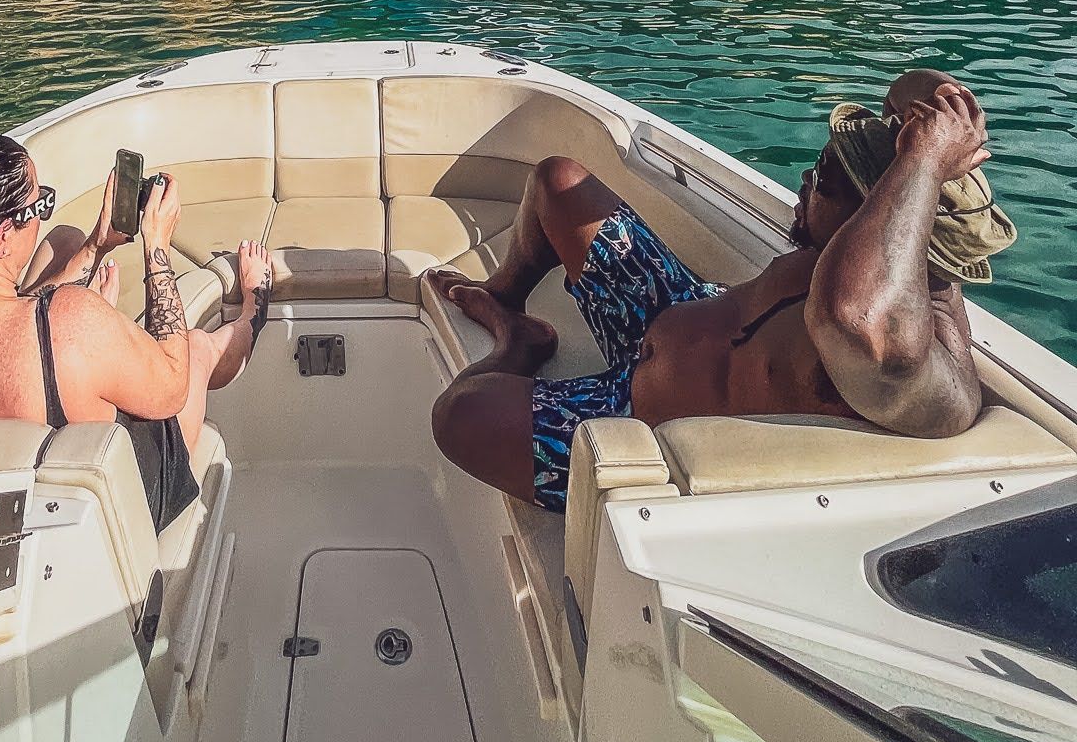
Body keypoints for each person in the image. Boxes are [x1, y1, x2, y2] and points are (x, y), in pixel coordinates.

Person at [429, 70, 1016, 512]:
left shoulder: (915, 368)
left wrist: (922, 162)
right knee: (560, 181)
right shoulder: (853, 256)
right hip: (676, 310)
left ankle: (516, 345)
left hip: (635, 417)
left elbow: (855, 316)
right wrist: (948, 111)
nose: (806, 181)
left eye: (826, 183)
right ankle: (508, 296)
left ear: (883, 218)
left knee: (462, 414)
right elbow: (905, 93)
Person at [0, 135, 273, 532]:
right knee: (198, 349)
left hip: (2, 521)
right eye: (38, 204)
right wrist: (157, 247)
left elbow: (6, 324)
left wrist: (97, 245)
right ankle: (257, 305)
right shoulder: (70, 321)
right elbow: (172, 386)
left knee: (65, 241)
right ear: (3, 237)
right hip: (106, 515)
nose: (44, 214)